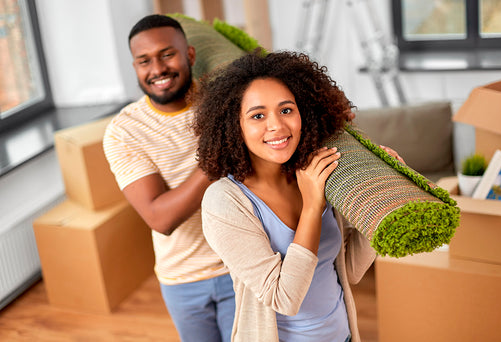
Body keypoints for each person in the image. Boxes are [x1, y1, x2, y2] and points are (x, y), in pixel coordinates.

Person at [193, 50, 380, 342]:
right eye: (257, 115)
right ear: (233, 126)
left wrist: (380, 201)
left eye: (286, 109)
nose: (277, 126)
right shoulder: (224, 202)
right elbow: (285, 299)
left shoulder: (314, 173)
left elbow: (350, 269)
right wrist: (311, 206)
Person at [103, 14, 235, 342]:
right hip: (181, 280)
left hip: (243, 266)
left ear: (189, 55)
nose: (157, 69)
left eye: (167, 54)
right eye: (144, 61)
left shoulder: (223, 104)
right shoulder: (124, 131)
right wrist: (216, 155)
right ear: (135, 67)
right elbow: (160, 217)